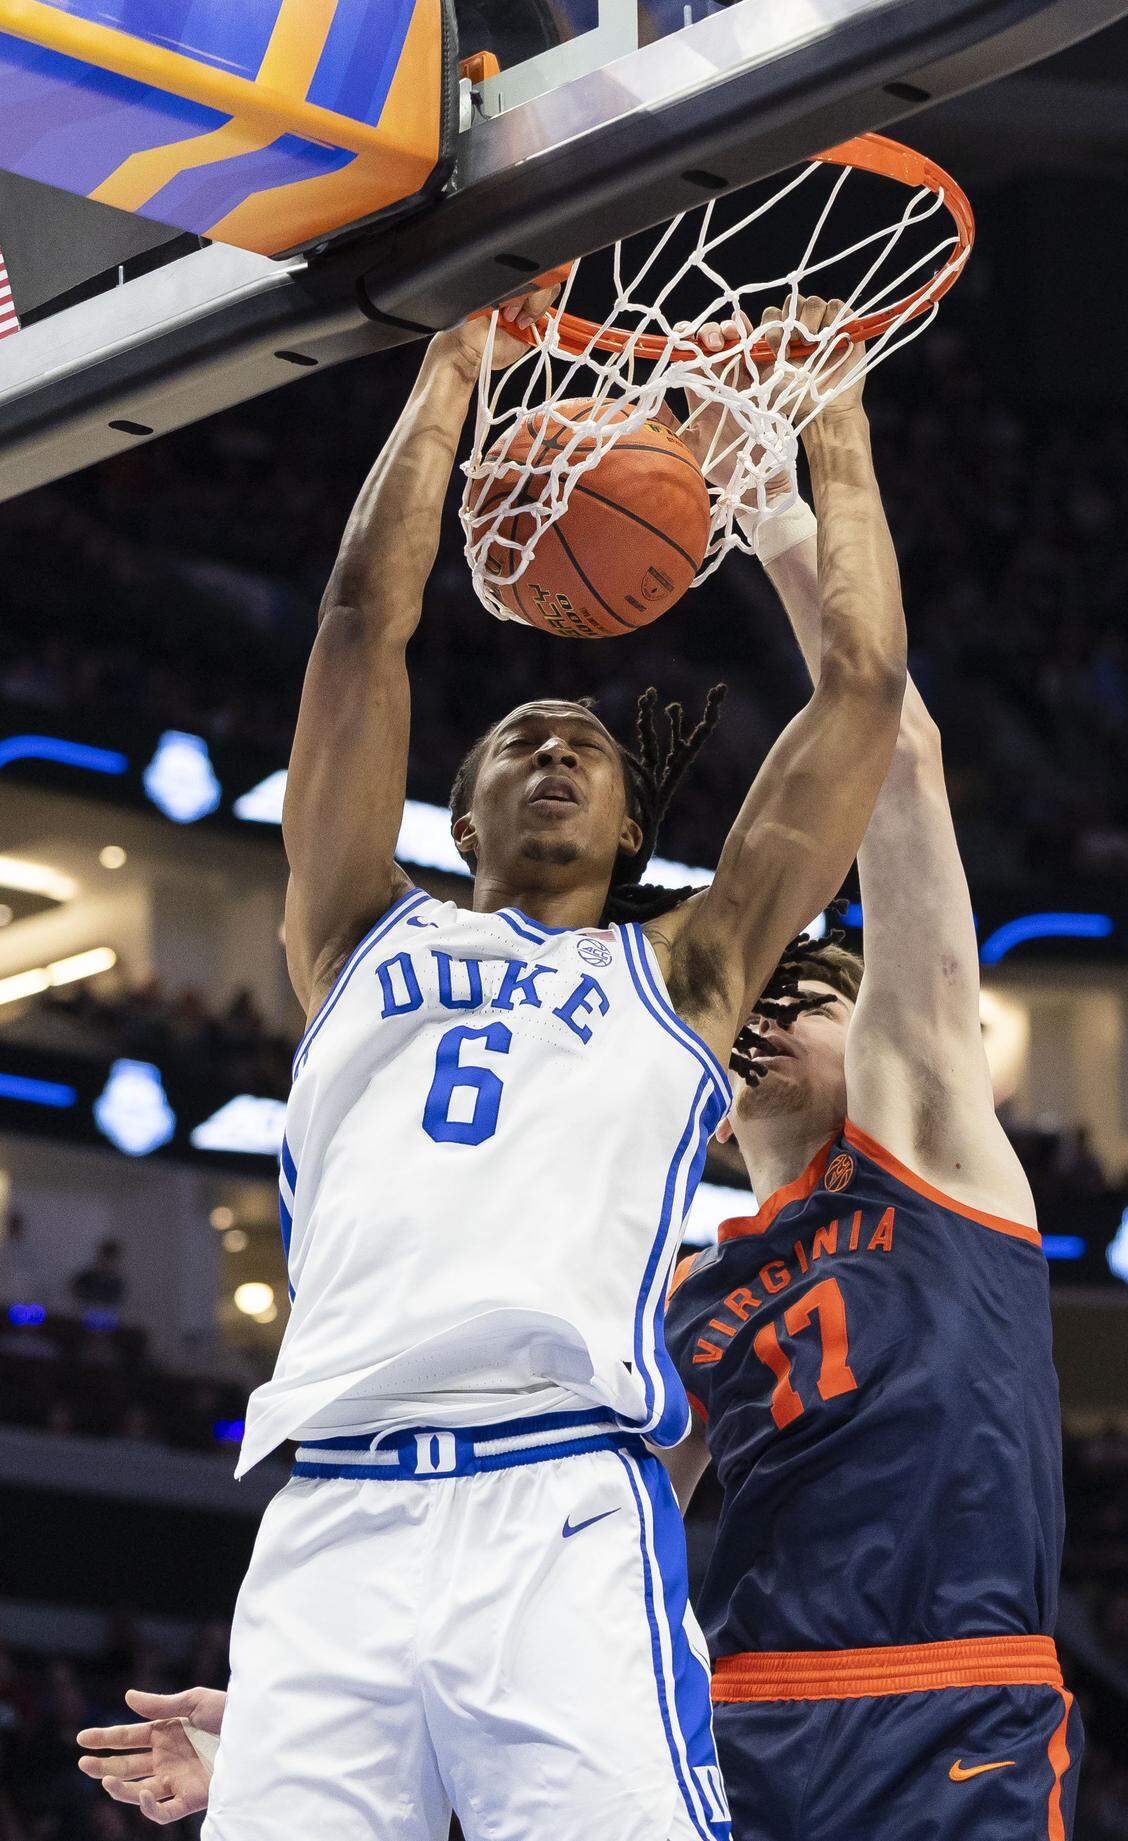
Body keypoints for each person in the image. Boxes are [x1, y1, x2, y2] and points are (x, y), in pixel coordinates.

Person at [76, 286, 906, 1840]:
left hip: (562, 1504)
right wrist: (455, 359)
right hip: (332, 1518)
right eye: (522, 737)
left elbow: (857, 692)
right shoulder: (352, 933)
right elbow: (355, 626)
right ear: (460, 818)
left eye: (586, 744)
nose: (560, 749)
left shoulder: (685, 974)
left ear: (624, 822)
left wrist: (834, 427)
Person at [663, 474, 1081, 1838]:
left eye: (814, 991)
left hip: (948, 1705)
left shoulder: (933, 1149)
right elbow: (548, 1534)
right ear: (715, 1103)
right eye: (756, 995)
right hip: (738, 1720)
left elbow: (899, 759)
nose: (772, 1006)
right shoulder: (684, 1295)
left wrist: (781, 509)